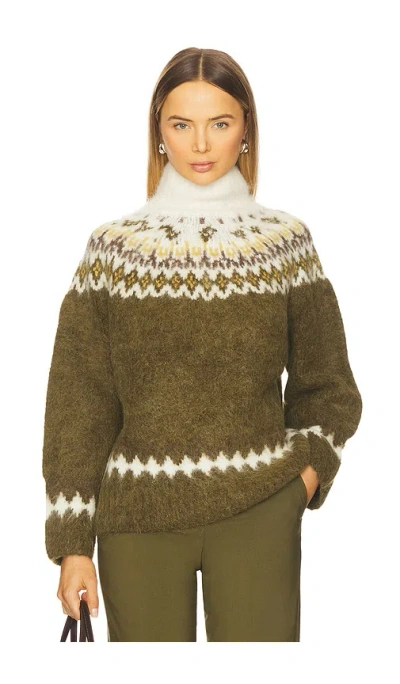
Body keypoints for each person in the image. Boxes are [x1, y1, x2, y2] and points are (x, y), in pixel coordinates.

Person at [42, 47, 363, 642]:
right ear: (159, 133)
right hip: (137, 521)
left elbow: (329, 385)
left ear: (246, 128)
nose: (200, 144)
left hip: (260, 510)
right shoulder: (113, 251)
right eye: (181, 124)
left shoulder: (284, 243)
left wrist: (300, 484)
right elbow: (79, 405)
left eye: (219, 123)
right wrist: (71, 543)